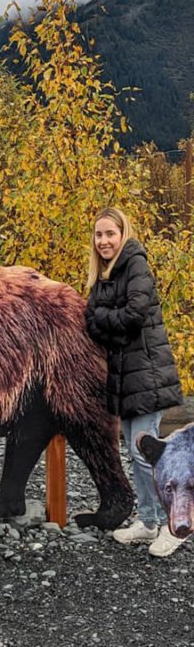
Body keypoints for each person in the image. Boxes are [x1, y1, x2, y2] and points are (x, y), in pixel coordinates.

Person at [85, 207, 185, 557]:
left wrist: (104, 318)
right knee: (135, 451)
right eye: (99, 235)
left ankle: (174, 526)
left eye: (110, 234)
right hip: (125, 377)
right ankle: (148, 522)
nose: (104, 241)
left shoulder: (136, 265)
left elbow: (134, 315)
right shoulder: (104, 275)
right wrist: (108, 321)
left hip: (146, 374)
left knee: (147, 454)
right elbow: (92, 322)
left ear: (122, 234)